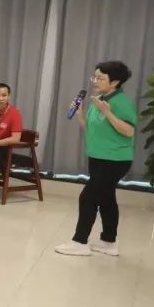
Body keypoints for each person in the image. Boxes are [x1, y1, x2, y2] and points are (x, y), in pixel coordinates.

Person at [56, 61, 138, 257]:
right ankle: (109, 242)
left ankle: (79, 242)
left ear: (115, 82)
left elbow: (128, 131)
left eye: (100, 78)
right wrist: (79, 114)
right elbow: (90, 128)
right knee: (106, 199)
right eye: (94, 76)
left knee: (88, 197)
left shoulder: (121, 102)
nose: (95, 81)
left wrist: (107, 113)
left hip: (115, 160)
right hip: (98, 157)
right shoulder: (99, 99)